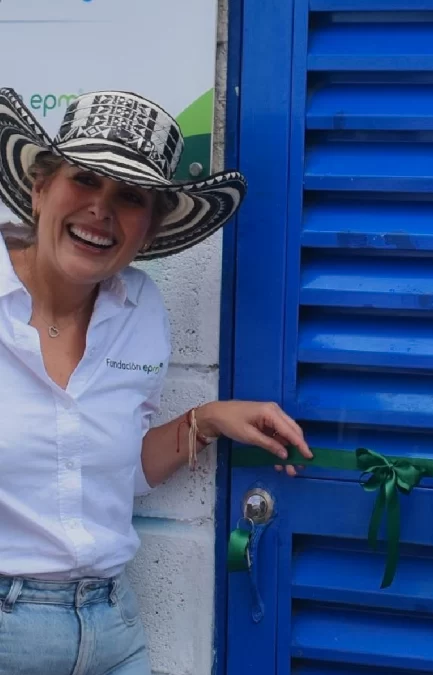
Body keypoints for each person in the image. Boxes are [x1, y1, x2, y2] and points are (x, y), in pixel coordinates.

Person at [0, 88, 311, 674]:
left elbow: (116, 470)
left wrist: (208, 419)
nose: (101, 209)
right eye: (85, 180)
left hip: (112, 626)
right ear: (40, 188)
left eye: (129, 196)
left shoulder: (138, 307)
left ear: (148, 229)